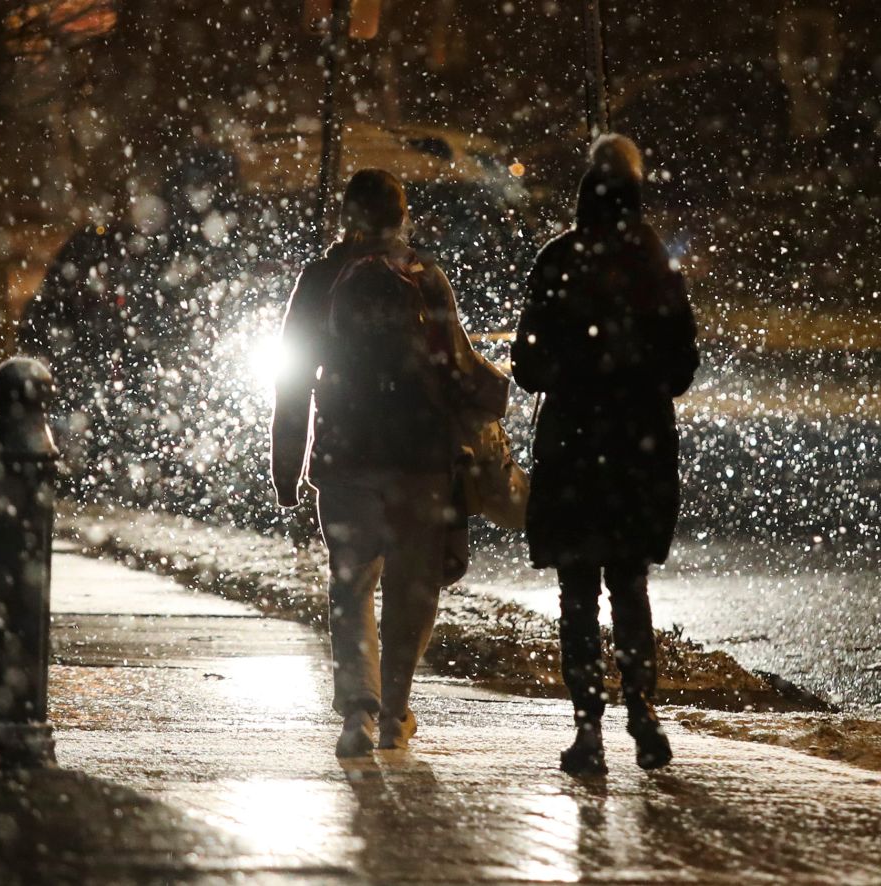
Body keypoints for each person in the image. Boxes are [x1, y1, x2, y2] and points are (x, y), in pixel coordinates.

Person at [271, 169, 503, 757]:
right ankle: (396, 707)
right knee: (412, 586)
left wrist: (286, 465)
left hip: (346, 452)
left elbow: (293, 380)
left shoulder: (322, 278)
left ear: (347, 217)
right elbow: (455, 366)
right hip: (419, 457)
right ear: (403, 218)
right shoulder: (424, 277)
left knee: (352, 584)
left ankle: (358, 709)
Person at [512, 134, 699, 775]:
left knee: (577, 594)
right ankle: (642, 712)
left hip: (571, 444)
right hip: (636, 447)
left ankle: (587, 725)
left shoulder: (556, 260)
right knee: (629, 585)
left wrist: (573, 367)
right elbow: (681, 371)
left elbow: (528, 368)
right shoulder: (655, 264)